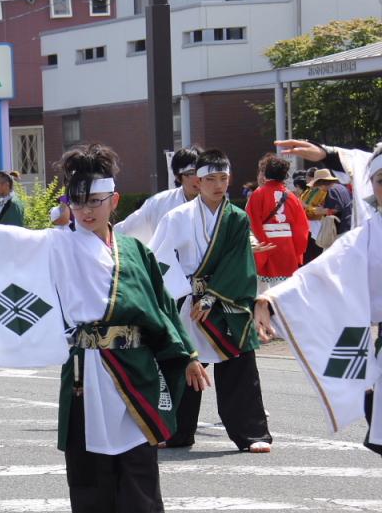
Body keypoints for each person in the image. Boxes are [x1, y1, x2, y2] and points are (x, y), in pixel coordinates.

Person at [0, 143, 209, 513]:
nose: (85, 210)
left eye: (94, 201)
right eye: (77, 201)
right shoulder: (60, 245)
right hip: (89, 367)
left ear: (114, 201)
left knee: (139, 459)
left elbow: (160, 309)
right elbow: (19, 243)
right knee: (90, 464)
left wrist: (188, 355)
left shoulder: (134, 251)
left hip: (136, 365)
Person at [254, 140, 381, 454]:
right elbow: (324, 271)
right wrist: (272, 300)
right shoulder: (367, 236)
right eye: (381, 180)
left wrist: (328, 154)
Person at [149, 149, 274, 453]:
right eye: (210, 179)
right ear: (197, 181)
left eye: (223, 178)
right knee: (182, 365)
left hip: (226, 303)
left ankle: (251, 433)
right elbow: (159, 258)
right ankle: (175, 431)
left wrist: (210, 299)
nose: (218, 185)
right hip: (187, 300)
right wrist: (183, 292)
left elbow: (239, 263)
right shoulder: (177, 217)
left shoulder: (236, 218)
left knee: (240, 365)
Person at [245, 153, 310, 293]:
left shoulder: (258, 194)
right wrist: (297, 251)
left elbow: (251, 222)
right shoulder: (292, 197)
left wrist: (260, 246)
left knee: (262, 291)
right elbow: (302, 227)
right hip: (287, 246)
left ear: (266, 173)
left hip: (265, 243)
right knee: (285, 291)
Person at [116, 146, 203, 244]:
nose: (198, 178)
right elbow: (128, 228)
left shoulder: (219, 203)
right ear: (178, 177)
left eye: (201, 172)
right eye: (191, 173)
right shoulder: (159, 203)